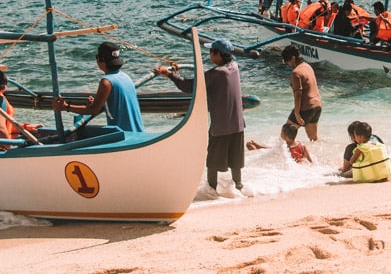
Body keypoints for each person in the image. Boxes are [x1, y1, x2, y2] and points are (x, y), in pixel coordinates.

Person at [159, 38, 247, 197]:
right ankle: (239, 188)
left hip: (221, 126)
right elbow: (205, 77)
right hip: (238, 124)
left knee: (212, 162)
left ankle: (211, 191)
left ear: (218, 54)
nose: (209, 55)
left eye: (211, 52)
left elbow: (190, 86)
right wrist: (177, 73)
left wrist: (170, 75)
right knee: (235, 161)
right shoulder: (234, 66)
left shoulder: (217, 73)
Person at [54, 40, 144, 133]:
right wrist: (100, 103)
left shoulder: (106, 82)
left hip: (123, 134)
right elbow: (116, 102)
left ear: (101, 60)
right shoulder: (125, 76)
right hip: (138, 131)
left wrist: (65, 107)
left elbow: (93, 110)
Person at [281, 44, 322, 142]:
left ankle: (285, 157)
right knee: (313, 139)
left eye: (287, 61)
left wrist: (297, 113)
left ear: (293, 58)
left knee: (284, 136)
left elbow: (298, 94)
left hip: (306, 108)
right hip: (317, 106)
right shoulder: (307, 66)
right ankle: (320, 155)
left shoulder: (296, 73)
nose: (288, 64)